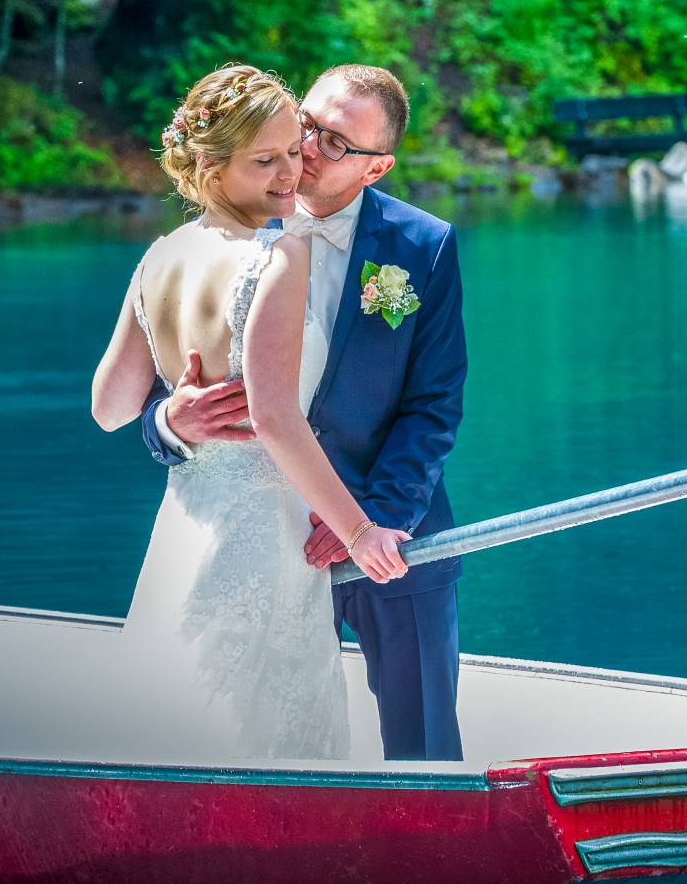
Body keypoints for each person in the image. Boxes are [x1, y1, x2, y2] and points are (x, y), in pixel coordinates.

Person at [138, 63, 467, 762]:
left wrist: (372, 518)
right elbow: (154, 386)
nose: (308, 147)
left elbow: (432, 405)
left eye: (336, 142)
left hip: (384, 531)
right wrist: (170, 424)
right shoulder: (221, 235)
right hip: (253, 531)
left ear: (377, 168)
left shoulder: (422, 248)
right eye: (308, 124)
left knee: (424, 748)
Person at [92, 63, 389, 760]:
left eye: (294, 151)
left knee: (178, 732)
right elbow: (276, 421)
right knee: (269, 745)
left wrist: (171, 419)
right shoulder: (277, 255)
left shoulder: (161, 256)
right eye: (265, 161)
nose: (290, 174)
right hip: (263, 536)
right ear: (210, 165)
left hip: (184, 529)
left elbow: (108, 407)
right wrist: (358, 531)